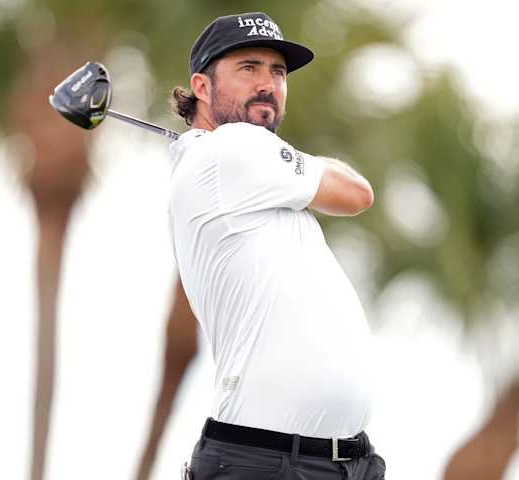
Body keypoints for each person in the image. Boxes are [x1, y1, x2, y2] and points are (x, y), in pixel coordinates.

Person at [168, 12, 386, 480]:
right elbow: (357, 193)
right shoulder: (230, 149)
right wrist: (293, 157)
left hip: (341, 461)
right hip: (266, 462)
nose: (267, 84)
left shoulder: (236, 160)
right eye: (248, 68)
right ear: (201, 87)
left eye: (278, 72)